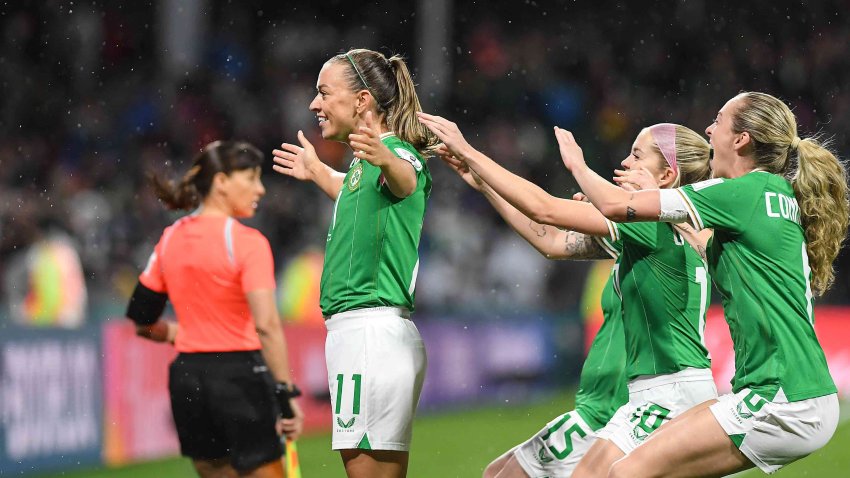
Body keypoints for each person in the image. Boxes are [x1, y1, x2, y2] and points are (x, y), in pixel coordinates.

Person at [556, 91, 848, 477]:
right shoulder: (777, 195)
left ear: (741, 139)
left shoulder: (739, 192)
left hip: (779, 395)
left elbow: (614, 208)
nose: (709, 129)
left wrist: (578, 165)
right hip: (802, 391)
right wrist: (647, 197)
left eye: (719, 120)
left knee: (626, 473)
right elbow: (692, 237)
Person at [419, 113, 716, 478]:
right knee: (500, 474)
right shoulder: (662, 231)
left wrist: (470, 151)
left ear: (667, 175)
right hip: (630, 399)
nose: (625, 162)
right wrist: (483, 183)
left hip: (660, 396)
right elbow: (553, 240)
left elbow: (545, 208)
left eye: (638, 156)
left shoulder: (648, 225)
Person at [272, 48, 437, 478]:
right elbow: (359, 192)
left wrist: (387, 158)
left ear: (362, 100)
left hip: (370, 335)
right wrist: (317, 172)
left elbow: (405, 179)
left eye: (324, 93)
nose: (315, 104)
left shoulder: (395, 154)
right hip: (366, 337)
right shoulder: (363, 166)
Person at [125, 140, 304, 478]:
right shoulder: (247, 243)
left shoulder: (170, 237)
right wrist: (286, 393)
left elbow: (141, 322)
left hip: (188, 381)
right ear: (221, 182)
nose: (260, 189)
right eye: (250, 178)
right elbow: (266, 325)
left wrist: (183, 332)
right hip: (239, 377)